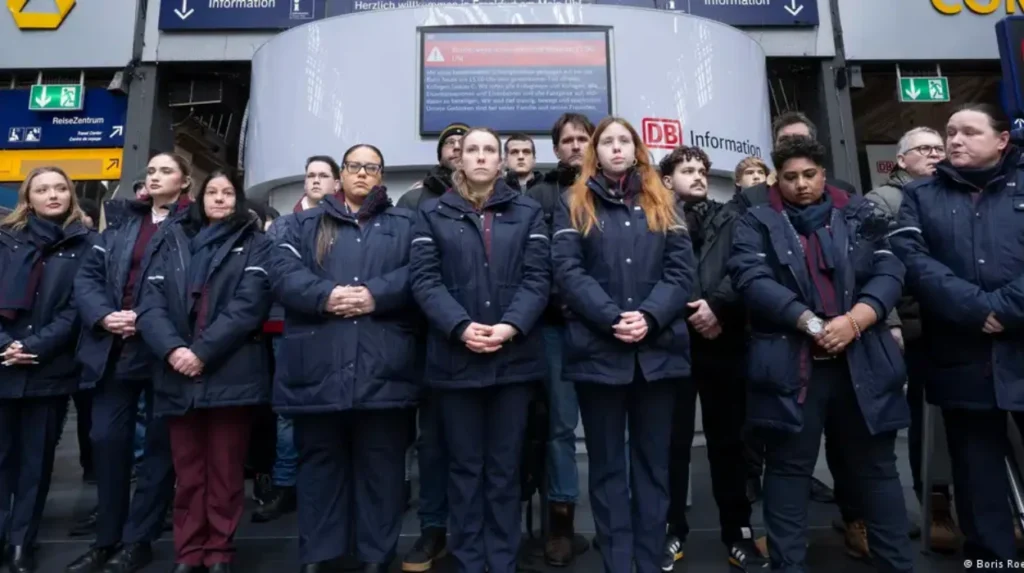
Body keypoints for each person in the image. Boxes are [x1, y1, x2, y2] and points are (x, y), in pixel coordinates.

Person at [728, 135, 912, 573]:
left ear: (823, 174)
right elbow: (750, 278)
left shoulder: (858, 211)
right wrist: (811, 323)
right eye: (790, 177)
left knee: (878, 470)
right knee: (788, 471)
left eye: (809, 175)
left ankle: (897, 566)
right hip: (792, 363)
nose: (801, 184)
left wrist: (855, 321)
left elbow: (890, 268)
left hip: (862, 357)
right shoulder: (756, 220)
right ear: (776, 179)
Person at [552, 117, 693, 573]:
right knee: (608, 466)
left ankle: (649, 561)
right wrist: (612, 317)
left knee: (653, 466)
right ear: (595, 151)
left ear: (636, 150)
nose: (616, 147)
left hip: (658, 353)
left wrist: (649, 316)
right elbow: (567, 272)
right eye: (607, 141)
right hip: (599, 353)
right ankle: (616, 561)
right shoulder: (573, 202)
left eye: (624, 141)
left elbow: (681, 273)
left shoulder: (665, 201)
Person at [270, 144, 419, 573]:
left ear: (381, 175)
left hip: (383, 365)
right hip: (318, 366)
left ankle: (376, 555)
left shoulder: (406, 224)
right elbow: (282, 273)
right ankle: (320, 553)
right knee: (320, 467)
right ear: (341, 176)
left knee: (381, 468)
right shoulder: (300, 224)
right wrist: (327, 295)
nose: (362, 173)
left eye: (371, 167)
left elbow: (419, 272)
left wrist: (375, 294)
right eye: (354, 166)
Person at [410, 127, 550, 573]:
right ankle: (469, 559)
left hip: (514, 359)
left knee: (505, 468)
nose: (482, 156)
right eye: (473, 149)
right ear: (460, 159)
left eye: (490, 150)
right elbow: (424, 281)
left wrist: (509, 327)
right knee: (464, 468)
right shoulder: (431, 213)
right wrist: (460, 326)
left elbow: (538, 279)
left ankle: (503, 560)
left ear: (501, 161)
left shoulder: (528, 211)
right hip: (455, 359)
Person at [891, 103, 1024, 564]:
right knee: (976, 475)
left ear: (1002, 140)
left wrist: (1007, 308)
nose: (955, 140)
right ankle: (991, 559)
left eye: (969, 131)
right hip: (961, 353)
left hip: (1020, 340)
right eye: (951, 132)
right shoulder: (920, 195)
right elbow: (912, 261)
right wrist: (975, 309)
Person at [134, 170, 271, 573]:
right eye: (212, 192)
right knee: (188, 472)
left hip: (230, 370)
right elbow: (150, 304)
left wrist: (202, 352)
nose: (220, 198)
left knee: (226, 472)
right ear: (200, 198)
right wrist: (174, 350)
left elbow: (248, 307)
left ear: (238, 200)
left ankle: (219, 552)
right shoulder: (172, 240)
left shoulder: (256, 244)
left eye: (228, 192)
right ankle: (189, 552)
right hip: (176, 371)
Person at [67, 152, 191, 573]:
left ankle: (139, 540)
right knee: (106, 441)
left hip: (164, 350)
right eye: (151, 171)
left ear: (185, 182)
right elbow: (87, 279)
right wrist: (105, 316)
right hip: (114, 347)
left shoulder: (194, 225)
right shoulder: (121, 225)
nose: (154, 176)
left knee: (158, 450)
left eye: (165, 171)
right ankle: (106, 539)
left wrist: (149, 319)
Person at [660, 146, 768, 572]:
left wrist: (716, 306)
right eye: (688, 170)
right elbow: (655, 274)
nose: (699, 176)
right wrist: (695, 310)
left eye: (702, 170)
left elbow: (746, 266)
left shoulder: (734, 217)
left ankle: (738, 533)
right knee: (672, 444)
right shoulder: (653, 219)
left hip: (724, 340)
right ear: (667, 180)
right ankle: (671, 530)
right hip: (673, 344)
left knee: (730, 444)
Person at [865, 126, 960, 552]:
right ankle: (935, 508)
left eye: (940, 148)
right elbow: (875, 265)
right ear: (901, 160)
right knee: (924, 423)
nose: (935, 154)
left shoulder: (957, 193)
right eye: (924, 149)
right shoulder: (882, 200)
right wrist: (889, 321)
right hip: (913, 326)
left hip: (959, 322)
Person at [0, 166, 92, 573]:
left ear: (71, 195)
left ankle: (22, 541)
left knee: (35, 464)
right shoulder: (5, 239)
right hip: (3, 363)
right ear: (28, 198)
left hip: (50, 365)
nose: (52, 195)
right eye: (42, 189)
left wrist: (34, 346)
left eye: (60, 188)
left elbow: (78, 307)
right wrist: (5, 345)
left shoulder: (87, 244)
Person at [254, 156, 341, 525]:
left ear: (336, 183)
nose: (316, 181)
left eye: (323, 175)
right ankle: (286, 484)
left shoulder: (345, 223)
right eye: (310, 175)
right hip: (286, 326)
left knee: (332, 407)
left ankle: (327, 486)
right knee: (288, 410)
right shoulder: (283, 226)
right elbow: (274, 276)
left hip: (335, 325)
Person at [525, 112, 594, 566]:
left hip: (606, 328)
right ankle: (561, 525)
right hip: (555, 326)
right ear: (555, 149)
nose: (575, 146)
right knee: (560, 430)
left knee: (615, 430)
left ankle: (617, 520)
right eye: (567, 140)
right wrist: (568, 302)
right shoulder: (538, 194)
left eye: (582, 138)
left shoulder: (614, 190)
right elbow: (534, 260)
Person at [399, 121, 467, 572]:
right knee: (434, 440)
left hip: (489, 335)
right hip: (431, 337)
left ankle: (476, 531)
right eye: (450, 144)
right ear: (440, 154)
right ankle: (434, 527)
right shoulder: (414, 200)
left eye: (466, 143)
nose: (458, 149)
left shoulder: (498, 199)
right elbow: (406, 266)